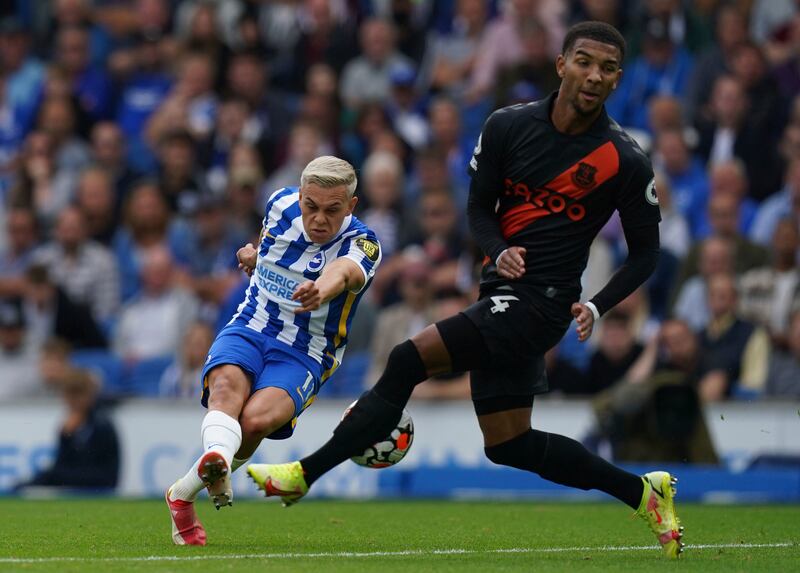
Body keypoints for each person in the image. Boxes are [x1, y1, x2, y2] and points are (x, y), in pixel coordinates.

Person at [248, 22, 684, 559]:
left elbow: (646, 253)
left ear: (618, 79)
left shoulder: (624, 158)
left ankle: (303, 473)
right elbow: (478, 207)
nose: (594, 75)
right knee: (509, 444)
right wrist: (498, 247)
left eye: (608, 67)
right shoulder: (508, 127)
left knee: (408, 358)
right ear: (561, 64)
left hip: (541, 303)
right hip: (497, 291)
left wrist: (597, 302)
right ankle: (644, 492)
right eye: (585, 61)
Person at [165, 156, 382, 546]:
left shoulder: (363, 243)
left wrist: (322, 290)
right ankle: (208, 469)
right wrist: (254, 257)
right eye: (310, 206)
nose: (319, 219)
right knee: (226, 391)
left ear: (351, 205)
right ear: (299, 196)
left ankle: (183, 490)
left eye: (332, 210)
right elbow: (269, 245)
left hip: (306, 351)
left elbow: (344, 272)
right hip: (251, 325)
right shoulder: (279, 203)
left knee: (255, 421)